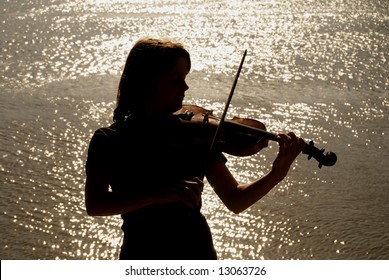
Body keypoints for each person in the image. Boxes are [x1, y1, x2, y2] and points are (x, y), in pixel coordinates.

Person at [84, 37, 305, 260]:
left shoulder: (193, 134)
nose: (185, 87)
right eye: (175, 79)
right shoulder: (109, 140)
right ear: (147, 82)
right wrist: (154, 195)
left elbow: (235, 199)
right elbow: (95, 204)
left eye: (185, 78)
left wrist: (276, 174)